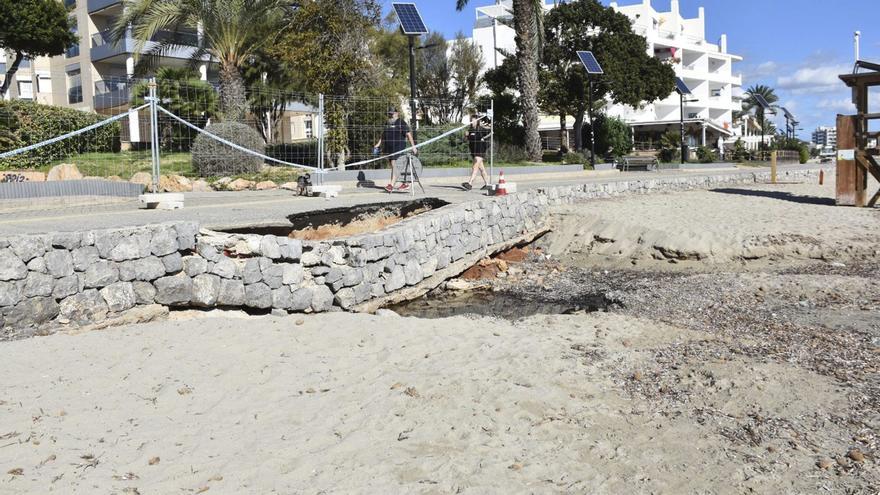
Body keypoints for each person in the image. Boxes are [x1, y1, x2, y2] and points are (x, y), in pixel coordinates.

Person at [374, 108, 417, 192]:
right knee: (394, 166)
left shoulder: (401, 123)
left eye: (392, 114)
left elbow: (408, 135)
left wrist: (413, 146)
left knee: (395, 164)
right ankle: (405, 183)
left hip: (398, 147)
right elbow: (383, 135)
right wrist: (378, 144)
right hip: (389, 148)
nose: (390, 115)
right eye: (389, 114)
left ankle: (391, 185)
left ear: (397, 113)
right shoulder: (387, 123)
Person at [462, 113, 490, 190]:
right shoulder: (470, 130)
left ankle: (470, 184)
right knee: (481, 168)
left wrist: (484, 138)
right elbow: (465, 140)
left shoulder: (481, 129)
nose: (473, 122)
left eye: (474, 121)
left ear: (477, 121)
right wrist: (465, 135)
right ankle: (487, 184)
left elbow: (491, 133)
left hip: (481, 150)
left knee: (475, 166)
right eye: (471, 121)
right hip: (474, 151)